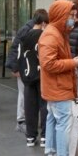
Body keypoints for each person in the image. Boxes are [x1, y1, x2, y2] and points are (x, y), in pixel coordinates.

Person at [39, 0, 78, 156]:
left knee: (53, 120)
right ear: (61, 15)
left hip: (55, 87)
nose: (73, 19)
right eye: (70, 16)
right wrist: (72, 63)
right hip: (58, 87)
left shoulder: (57, 32)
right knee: (63, 124)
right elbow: (48, 63)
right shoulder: (52, 35)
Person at [7, 8, 48, 133]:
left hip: (26, 68)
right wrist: (15, 67)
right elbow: (16, 49)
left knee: (26, 95)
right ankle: (21, 121)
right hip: (26, 68)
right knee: (25, 95)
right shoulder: (28, 30)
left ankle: (27, 123)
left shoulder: (28, 28)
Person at [18, 10, 49, 148]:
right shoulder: (44, 36)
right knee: (44, 106)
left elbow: (19, 56)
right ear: (43, 23)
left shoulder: (24, 35)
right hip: (42, 75)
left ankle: (30, 136)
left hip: (27, 75)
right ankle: (44, 136)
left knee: (30, 106)